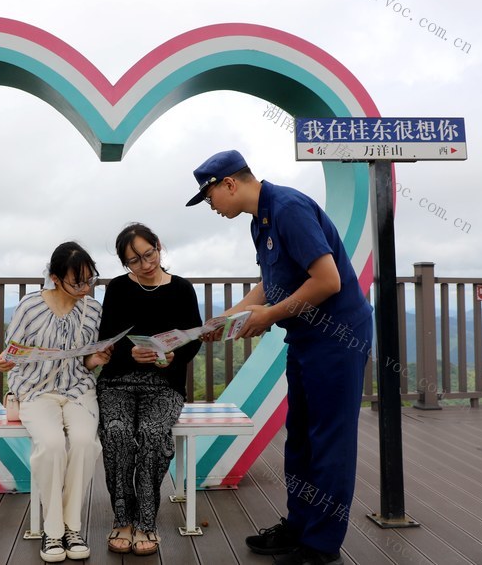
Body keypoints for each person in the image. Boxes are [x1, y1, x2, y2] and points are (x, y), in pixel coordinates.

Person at [186, 150, 372, 565]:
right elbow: (273, 283)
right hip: (306, 337)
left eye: (210, 197)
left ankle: (321, 546)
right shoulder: (260, 221)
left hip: (337, 338)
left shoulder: (288, 208)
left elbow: (328, 280)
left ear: (229, 184)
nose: (211, 207)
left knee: (329, 440)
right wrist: (225, 319)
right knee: (301, 436)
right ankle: (299, 524)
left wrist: (267, 317)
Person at [0, 241, 112, 563]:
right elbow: (12, 353)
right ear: (56, 278)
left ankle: (72, 527)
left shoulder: (93, 310)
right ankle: (53, 529)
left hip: (78, 389)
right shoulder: (30, 307)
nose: (86, 287)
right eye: (78, 281)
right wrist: (4, 361)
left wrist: (96, 359)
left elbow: (86, 362)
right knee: (51, 444)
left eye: (91, 279)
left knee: (86, 442)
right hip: (35, 390)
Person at [96, 223, 203, 556]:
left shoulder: (182, 289)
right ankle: (122, 519)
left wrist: (172, 355)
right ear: (124, 263)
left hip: (163, 383)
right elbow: (108, 337)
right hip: (117, 382)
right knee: (116, 433)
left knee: (154, 434)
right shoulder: (117, 289)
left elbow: (193, 339)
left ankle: (145, 523)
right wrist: (129, 352)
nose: (145, 264)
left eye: (149, 254)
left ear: (158, 246)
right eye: (134, 260)